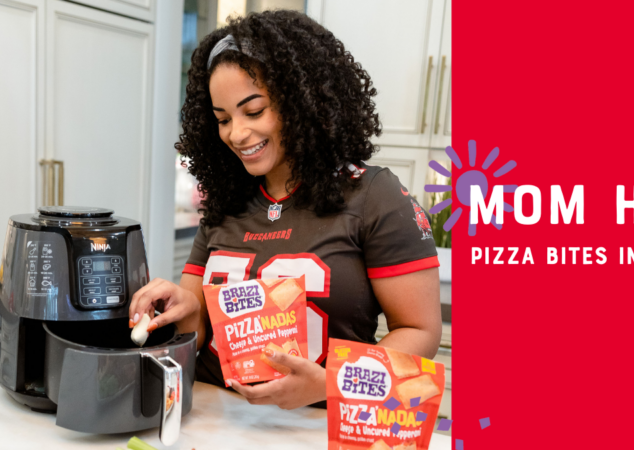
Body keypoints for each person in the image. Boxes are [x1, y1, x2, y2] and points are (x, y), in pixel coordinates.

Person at [129, 10, 442, 410]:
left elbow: (420, 332)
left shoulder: (373, 196)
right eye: (222, 119)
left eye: (254, 111)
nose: (237, 134)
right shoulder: (225, 201)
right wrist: (185, 308)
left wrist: (331, 383)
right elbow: (198, 333)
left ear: (301, 101)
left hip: (318, 425)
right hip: (213, 417)